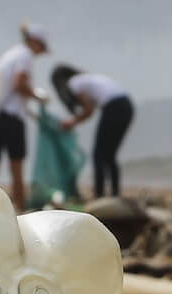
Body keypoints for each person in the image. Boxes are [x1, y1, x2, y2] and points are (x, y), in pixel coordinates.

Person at [0, 21, 49, 210]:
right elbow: (19, 84)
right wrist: (37, 96)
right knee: (16, 166)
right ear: (35, 42)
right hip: (10, 118)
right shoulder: (25, 56)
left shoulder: (10, 55)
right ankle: (20, 208)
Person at [49, 64, 135, 199]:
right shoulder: (86, 80)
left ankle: (99, 194)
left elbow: (89, 110)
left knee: (99, 155)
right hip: (126, 107)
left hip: (115, 108)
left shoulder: (74, 83)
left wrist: (72, 122)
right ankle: (115, 193)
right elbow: (91, 110)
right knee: (109, 155)